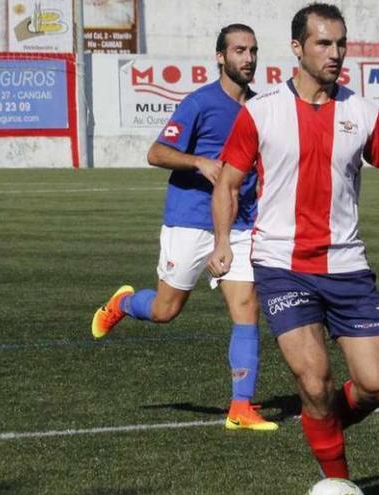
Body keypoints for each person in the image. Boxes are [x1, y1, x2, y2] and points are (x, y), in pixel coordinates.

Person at [208, 2, 379, 479]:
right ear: (297, 48)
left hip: (347, 267)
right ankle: (338, 480)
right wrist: (223, 241)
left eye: (341, 43)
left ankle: (322, 422)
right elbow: (227, 183)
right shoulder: (261, 113)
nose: (336, 53)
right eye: (324, 43)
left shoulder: (363, 113)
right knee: (314, 378)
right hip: (282, 265)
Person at [90, 24, 278, 432]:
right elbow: (155, 153)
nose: (248, 59)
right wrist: (199, 162)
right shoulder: (199, 103)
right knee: (165, 310)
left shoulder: (261, 108)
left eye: (253, 51)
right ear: (221, 57)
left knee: (247, 308)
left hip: (238, 223)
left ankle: (240, 408)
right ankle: (122, 303)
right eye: (240, 51)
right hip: (190, 220)